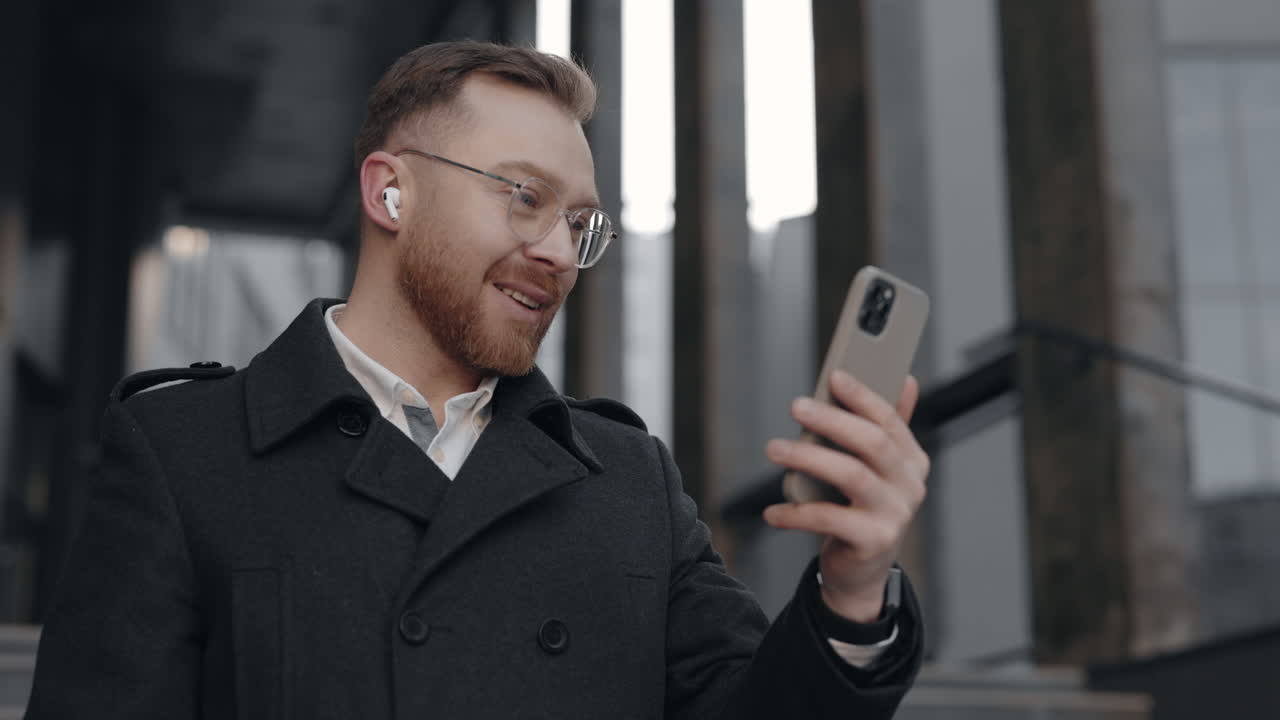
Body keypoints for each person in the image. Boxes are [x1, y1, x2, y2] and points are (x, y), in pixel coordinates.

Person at [26, 41, 931, 719]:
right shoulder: (188, 452)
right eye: (524, 196)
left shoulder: (627, 479)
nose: (555, 253)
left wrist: (853, 589)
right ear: (389, 194)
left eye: (581, 223)